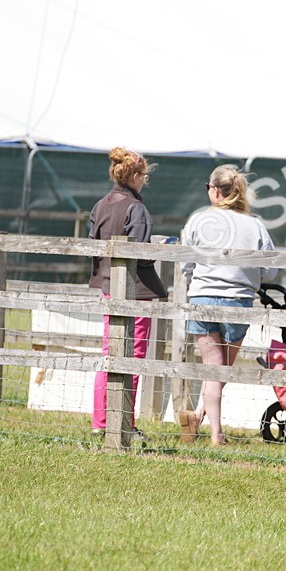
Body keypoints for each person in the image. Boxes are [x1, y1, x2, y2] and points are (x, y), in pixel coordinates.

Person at [178, 165, 278, 445]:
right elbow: (270, 271)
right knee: (221, 370)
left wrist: (197, 279)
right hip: (238, 301)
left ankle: (199, 418)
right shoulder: (255, 225)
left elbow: (186, 263)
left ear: (214, 190)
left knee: (213, 367)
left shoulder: (199, 220)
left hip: (202, 298)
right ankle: (215, 434)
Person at [88, 147, 169, 435]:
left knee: (109, 354)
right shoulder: (137, 209)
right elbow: (141, 255)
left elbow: (93, 245)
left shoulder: (100, 205)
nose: (144, 181)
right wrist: (158, 249)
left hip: (109, 287)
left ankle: (101, 423)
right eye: (144, 176)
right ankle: (124, 423)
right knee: (132, 359)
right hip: (137, 291)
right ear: (135, 176)